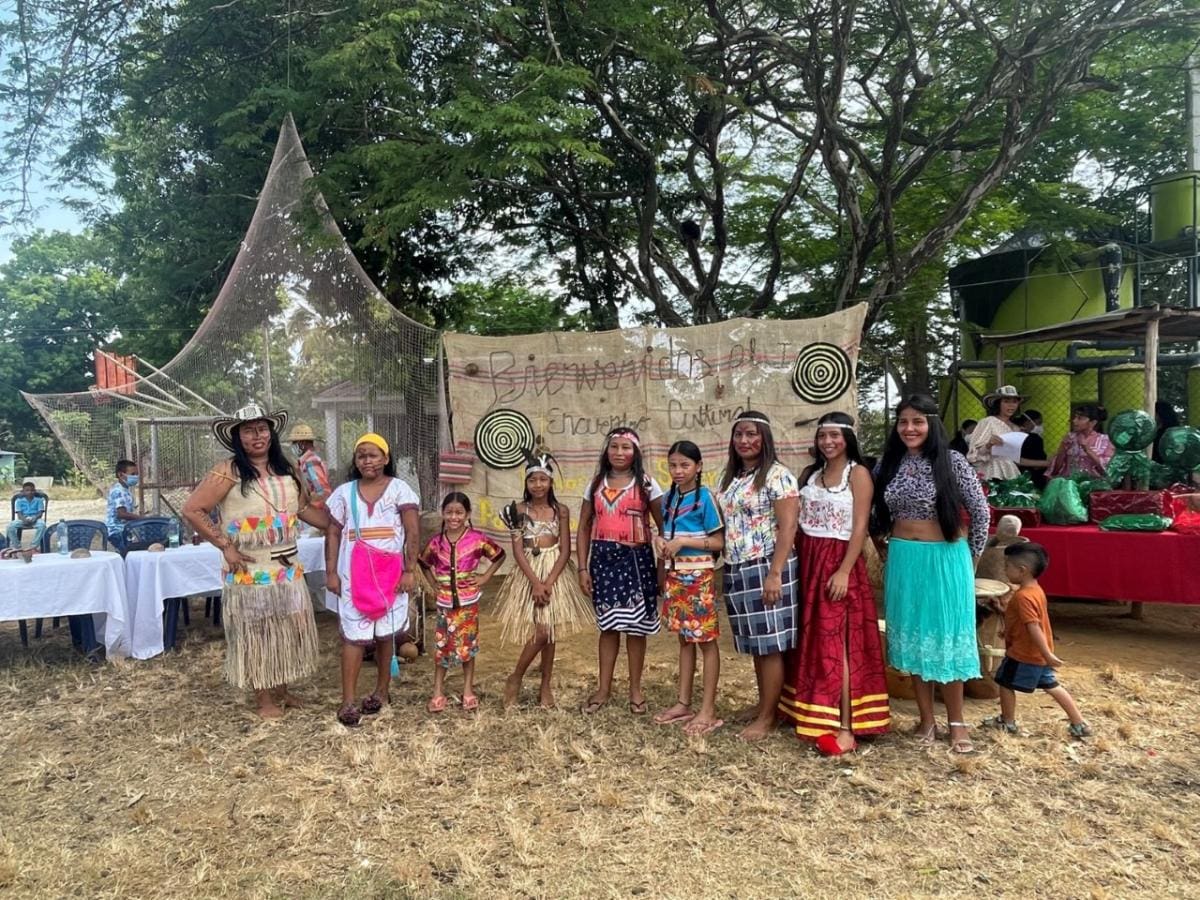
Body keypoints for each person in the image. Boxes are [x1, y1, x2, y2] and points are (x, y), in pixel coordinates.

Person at [182, 403, 330, 718]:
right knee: (257, 633)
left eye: (262, 429)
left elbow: (303, 509)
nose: (257, 436)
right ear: (238, 437)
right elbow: (193, 509)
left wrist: (337, 523)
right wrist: (225, 546)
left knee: (286, 629)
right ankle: (264, 699)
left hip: (286, 569)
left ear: (271, 433)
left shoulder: (287, 469)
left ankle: (282, 690)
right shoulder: (227, 471)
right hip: (249, 570)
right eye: (249, 431)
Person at [873, 394, 990, 754]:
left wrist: (971, 561)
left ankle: (957, 722)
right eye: (903, 421)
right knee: (914, 638)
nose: (909, 428)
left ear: (932, 424)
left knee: (946, 638)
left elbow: (981, 512)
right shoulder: (888, 463)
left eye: (918, 421)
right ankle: (926, 720)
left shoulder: (952, 461)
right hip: (904, 561)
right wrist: (881, 545)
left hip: (945, 559)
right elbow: (873, 509)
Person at [782, 412, 889, 756]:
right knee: (811, 637)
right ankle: (807, 710)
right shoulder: (810, 474)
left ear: (848, 438)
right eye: (822, 436)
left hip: (838, 560)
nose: (827, 442)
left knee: (838, 639)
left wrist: (844, 570)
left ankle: (845, 725)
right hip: (808, 559)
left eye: (834, 435)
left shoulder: (858, 474)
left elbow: (860, 527)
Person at [325, 433, 422, 727]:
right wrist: (331, 572)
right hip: (352, 575)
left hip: (391, 574)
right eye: (361, 456)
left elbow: (413, 532)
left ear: (386, 458)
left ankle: (382, 692)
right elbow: (332, 533)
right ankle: (348, 701)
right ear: (356, 461)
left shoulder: (400, 489)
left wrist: (409, 569)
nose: (367, 460)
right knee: (353, 636)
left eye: (373, 455)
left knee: (385, 634)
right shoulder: (344, 493)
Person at [717, 410, 800, 742]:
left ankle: (768, 717)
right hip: (737, 565)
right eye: (739, 434)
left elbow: (788, 527)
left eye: (751, 434)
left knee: (770, 644)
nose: (744, 440)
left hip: (767, 564)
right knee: (756, 643)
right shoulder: (731, 477)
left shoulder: (778, 476)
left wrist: (775, 573)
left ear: (764, 438)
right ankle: (763, 704)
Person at [495, 453, 594, 709]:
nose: (538, 485)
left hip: (554, 571)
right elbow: (518, 551)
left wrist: (549, 581)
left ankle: (545, 685)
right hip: (530, 570)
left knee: (549, 630)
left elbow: (565, 550)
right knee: (543, 631)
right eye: (532, 480)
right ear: (526, 483)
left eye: (543, 479)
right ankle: (516, 677)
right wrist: (536, 583)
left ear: (550, 482)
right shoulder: (518, 510)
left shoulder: (560, 511)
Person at [577, 426, 664, 715]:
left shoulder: (647, 484)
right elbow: (584, 527)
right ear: (606, 451)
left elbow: (664, 528)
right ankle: (604, 689)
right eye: (614, 447)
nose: (619, 452)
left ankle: (635, 689)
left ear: (635, 452)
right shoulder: (595, 484)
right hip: (603, 561)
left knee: (636, 628)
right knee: (609, 626)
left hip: (637, 562)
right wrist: (582, 568)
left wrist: (662, 568)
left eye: (626, 447)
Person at [652, 440, 726, 737]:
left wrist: (683, 542)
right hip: (675, 576)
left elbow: (719, 541)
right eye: (673, 465)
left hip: (698, 577)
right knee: (685, 639)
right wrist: (660, 541)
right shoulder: (669, 498)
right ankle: (683, 703)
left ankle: (708, 709)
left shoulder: (705, 498)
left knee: (705, 641)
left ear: (698, 467)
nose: (678, 471)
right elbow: (665, 533)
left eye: (685, 465)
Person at [983, 542, 1092, 739]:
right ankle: (1079, 723)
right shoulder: (1036, 590)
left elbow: (1033, 626)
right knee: (1052, 686)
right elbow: (1024, 621)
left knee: (1005, 682)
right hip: (1037, 654)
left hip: (1024, 654)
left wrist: (1046, 654)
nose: (1005, 570)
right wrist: (1002, 614)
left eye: (1007, 566)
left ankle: (1007, 722)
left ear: (1022, 570)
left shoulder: (1023, 597)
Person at [418, 491, 504, 713]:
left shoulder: (477, 539)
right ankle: (438, 691)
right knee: (442, 648)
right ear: (442, 513)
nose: (454, 517)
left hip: (468, 604)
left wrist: (485, 577)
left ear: (468, 514)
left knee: (467, 647)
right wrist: (433, 584)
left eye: (459, 513)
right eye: (449, 512)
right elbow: (424, 563)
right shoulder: (436, 543)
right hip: (445, 604)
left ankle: (467, 690)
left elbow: (499, 555)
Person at [967, 385, 1025, 480]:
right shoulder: (988, 422)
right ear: (998, 403)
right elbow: (974, 455)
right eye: (1006, 401)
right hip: (991, 473)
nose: (1011, 405)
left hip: (1010, 472)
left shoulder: (1015, 428)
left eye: (1014, 402)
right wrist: (989, 445)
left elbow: (1014, 458)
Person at [1046, 403, 1113, 479]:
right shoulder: (1069, 438)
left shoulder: (1105, 440)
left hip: (1094, 482)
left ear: (1093, 422)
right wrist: (1062, 448)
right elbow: (1055, 471)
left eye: (1080, 418)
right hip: (1069, 482)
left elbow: (1108, 470)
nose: (1074, 421)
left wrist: (1086, 449)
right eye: (1075, 417)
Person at [288, 422, 332, 508]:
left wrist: (307, 506)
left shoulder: (310, 463)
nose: (292, 446)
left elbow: (322, 492)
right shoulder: (304, 463)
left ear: (302, 443)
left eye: (294, 443)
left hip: (315, 510)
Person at [105, 459, 144, 553]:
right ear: (120, 475)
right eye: (132, 474)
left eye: (136, 474)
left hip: (124, 529)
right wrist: (141, 518)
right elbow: (121, 514)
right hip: (116, 531)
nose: (136, 477)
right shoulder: (118, 491)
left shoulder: (125, 490)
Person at [1013, 412, 1048, 489]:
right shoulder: (1035, 439)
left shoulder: (1013, 436)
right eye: (1038, 423)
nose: (1040, 426)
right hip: (1033, 479)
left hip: (1015, 477)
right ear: (1028, 422)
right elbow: (1037, 466)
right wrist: (1048, 463)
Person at [7, 481, 46, 549]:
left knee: (42, 525)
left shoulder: (39, 500)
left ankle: (33, 546)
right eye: (27, 490)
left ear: (35, 491)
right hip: (23, 519)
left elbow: (40, 513)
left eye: (32, 490)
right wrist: (24, 520)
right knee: (10, 527)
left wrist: (34, 518)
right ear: (23, 492)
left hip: (35, 518)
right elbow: (19, 514)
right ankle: (17, 546)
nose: (30, 492)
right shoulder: (19, 501)